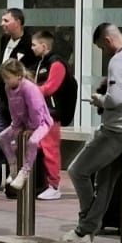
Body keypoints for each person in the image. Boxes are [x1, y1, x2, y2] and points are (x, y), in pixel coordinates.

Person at [56, 22, 122, 243]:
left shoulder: (119, 61)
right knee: (105, 182)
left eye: (102, 48)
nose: (104, 52)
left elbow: (114, 99)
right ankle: (86, 231)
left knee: (77, 170)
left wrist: (97, 99)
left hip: (116, 132)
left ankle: (85, 225)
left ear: (108, 41)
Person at [0, 58, 53, 194]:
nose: (6, 81)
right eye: (4, 78)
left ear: (18, 76)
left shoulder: (29, 88)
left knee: (33, 141)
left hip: (40, 123)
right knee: (2, 137)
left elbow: (36, 110)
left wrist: (32, 128)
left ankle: (25, 171)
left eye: (8, 78)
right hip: (22, 122)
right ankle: (13, 166)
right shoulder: (8, 88)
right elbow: (13, 108)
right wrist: (16, 126)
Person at [29, 30, 71, 200]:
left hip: (51, 114)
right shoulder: (41, 63)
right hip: (41, 112)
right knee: (39, 147)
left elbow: (51, 87)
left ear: (43, 45)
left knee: (50, 149)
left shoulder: (56, 64)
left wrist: (31, 91)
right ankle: (43, 183)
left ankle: (53, 185)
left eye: (34, 45)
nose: (31, 48)